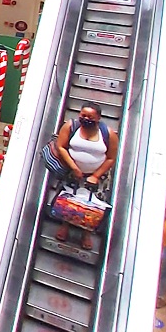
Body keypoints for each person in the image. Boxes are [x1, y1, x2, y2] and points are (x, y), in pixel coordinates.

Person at [53, 104, 119, 249]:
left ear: (98, 118)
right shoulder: (71, 126)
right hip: (72, 172)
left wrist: (96, 175)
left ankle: (86, 233)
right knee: (68, 200)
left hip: (96, 177)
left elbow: (111, 158)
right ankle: (65, 226)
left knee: (91, 206)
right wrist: (74, 167)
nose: (86, 119)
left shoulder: (108, 134)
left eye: (90, 117)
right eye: (83, 115)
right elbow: (61, 146)